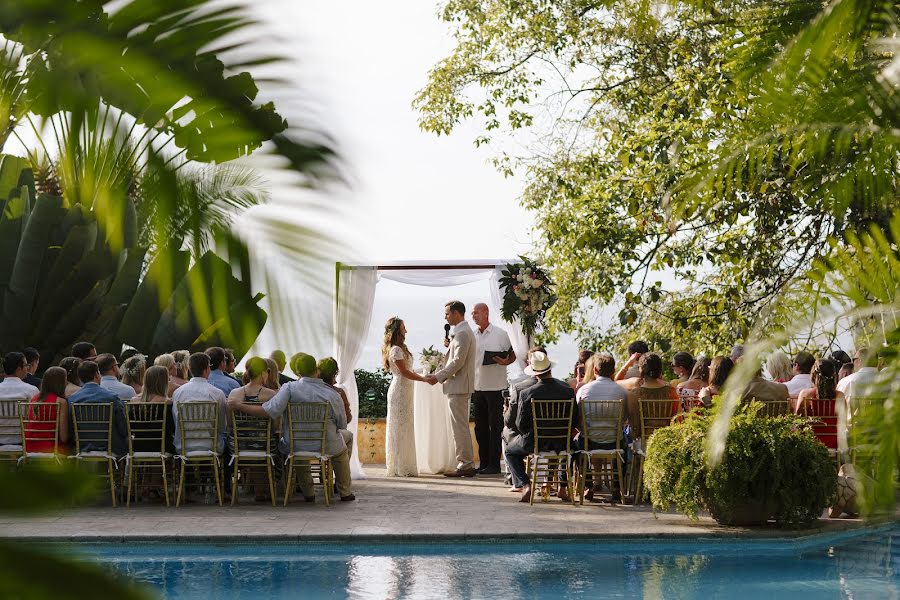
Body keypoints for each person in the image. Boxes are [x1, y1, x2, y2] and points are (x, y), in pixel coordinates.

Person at [227, 353, 355, 502]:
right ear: (316, 371)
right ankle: (345, 492)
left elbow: (269, 411)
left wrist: (240, 406)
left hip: (296, 444)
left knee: (297, 450)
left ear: (298, 372)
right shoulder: (332, 394)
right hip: (326, 444)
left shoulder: (289, 389)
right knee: (341, 449)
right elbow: (342, 424)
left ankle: (308, 493)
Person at [502, 350, 578, 502]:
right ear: (550, 369)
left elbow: (520, 424)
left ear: (535, 373)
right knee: (572, 449)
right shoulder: (568, 391)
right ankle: (562, 487)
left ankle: (525, 484)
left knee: (510, 452)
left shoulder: (527, 393)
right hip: (562, 441)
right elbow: (575, 421)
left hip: (534, 442)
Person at [425, 300, 478, 478]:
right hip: (459, 385)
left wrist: (438, 376)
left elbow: (458, 362)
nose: (445, 317)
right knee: (459, 426)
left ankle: (466, 464)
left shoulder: (462, 333)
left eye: (447, 313)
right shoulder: (461, 332)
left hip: (459, 386)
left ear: (456, 313)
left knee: (459, 427)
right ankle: (465, 462)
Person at [575, 353, 628, 502]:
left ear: (595, 370)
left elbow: (578, 418)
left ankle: (588, 485)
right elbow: (624, 418)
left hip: (590, 440)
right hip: (614, 440)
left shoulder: (583, 391)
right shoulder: (621, 391)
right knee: (624, 446)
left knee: (576, 446)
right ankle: (617, 487)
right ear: (613, 370)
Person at [470, 303, 515, 475]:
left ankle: (495, 464)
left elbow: (513, 353)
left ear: (486, 313)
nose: (473, 316)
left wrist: (506, 361)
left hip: (495, 387)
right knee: (480, 428)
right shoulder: (472, 335)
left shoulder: (500, 334)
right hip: (478, 387)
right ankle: (484, 463)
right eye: (472, 313)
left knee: (495, 427)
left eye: (476, 313)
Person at [382, 317, 426, 477]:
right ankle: (400, 465)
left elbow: (409, 370)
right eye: (403, 328)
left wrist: (424, 372)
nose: (406, 331)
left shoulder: (400, 348)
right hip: (400, 390)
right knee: (400, 427)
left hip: (406, 389)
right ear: (397, 331)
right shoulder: (395, 350)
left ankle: (403, 463)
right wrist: (424, 379)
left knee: (405, 426)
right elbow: (405, 372)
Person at [67, 360, 128, 456]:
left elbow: (70, 428)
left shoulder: (72, 399)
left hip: (82, 447)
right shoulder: (112, 397)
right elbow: (123, 427)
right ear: (97, 374)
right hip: (111, 448)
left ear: (80, 377)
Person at [171, 352, 228, 455]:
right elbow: (222, 426)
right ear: (207, 369)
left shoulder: (178, 393)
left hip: (183, 446)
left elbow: (177, 422)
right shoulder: (217, 393)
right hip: (212, 446)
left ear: (189, 368)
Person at [620, 353, 679, 436]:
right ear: (660, 369)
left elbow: (632, 423)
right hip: (667, 439)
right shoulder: (672, 392)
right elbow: (677, 418)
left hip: (642, 441)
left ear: (640, 370)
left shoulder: (633, 395)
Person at [24, 367, 70, 454]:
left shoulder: (34, 399)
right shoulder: (61, 402)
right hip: (52, 448)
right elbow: (63, 437)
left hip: (29, 447)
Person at [318, 357, 353, 457]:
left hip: (308, 440)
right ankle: (341, 472)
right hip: (330, 440)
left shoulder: (310, 392)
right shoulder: (338, 393)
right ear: (335, 373)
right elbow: (347, 420)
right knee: (348, 436)